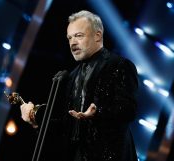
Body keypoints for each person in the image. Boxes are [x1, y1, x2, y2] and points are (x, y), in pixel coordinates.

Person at [20, 10, 138, 161]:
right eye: (69, 38)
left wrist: (97, 113)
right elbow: (65, 124)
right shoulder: (70, 76)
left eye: (78, 36)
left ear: (98, 35)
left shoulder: (119, 65)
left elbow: (128, 110)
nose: (72, 43)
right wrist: (36, 119)